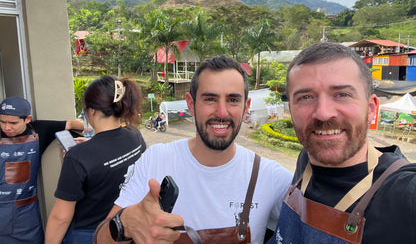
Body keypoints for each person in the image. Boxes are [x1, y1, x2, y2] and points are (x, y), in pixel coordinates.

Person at [95, 55, 293, 244]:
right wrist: (125, 224)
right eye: (210, 99)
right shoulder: (155, 160)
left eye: (233, 100)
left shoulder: (271, 177)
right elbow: (100, 239)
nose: (222, 112)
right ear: (191, 104)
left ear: (246, 107)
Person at [268, 43, 416, 244]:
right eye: (306, 97)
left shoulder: (405, 193)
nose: (323, 113)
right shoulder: (306, 160)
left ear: (372, 109)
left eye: (342, 94)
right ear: (291, 111)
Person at [45, 76, 147, 244]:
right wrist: (91, 147)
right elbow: (112, 156)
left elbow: (60, 218)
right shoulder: (135, 135)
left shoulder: (78, 157)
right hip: (123, 226)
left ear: (91, 111)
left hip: (89, 234)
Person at [0, 96, 84, 244]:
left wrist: (84, 136)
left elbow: (74, 124)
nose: (7, 127)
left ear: (27, 119)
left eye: (13, 123)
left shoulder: (39, 130)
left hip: (26, 216)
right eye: (2, 121)